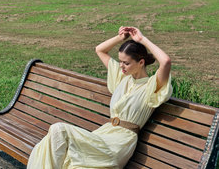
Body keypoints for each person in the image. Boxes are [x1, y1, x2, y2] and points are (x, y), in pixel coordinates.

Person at [27, 26, 172, 169]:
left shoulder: (151, 86)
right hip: (104, 134)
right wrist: (120, 38)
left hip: (119, 143)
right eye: (120, 61)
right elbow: (100, 50)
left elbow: (165, 61)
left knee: (58, 130)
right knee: (68, 162)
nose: (121, 66)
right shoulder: (122, 78)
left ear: (141, 62)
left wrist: (142, 39)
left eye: (126, 63)